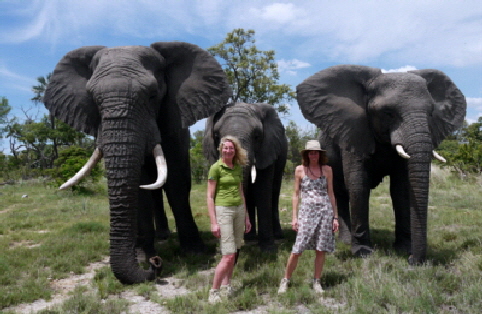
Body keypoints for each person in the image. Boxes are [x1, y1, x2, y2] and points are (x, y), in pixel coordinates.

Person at [278, 140, 339, 294]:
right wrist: (294, 217)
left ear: (320, 154)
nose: (314, 155)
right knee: (298, 248)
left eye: (316, 152)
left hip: (325, 212)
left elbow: (331, 193)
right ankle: (285, 280)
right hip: (306, 213)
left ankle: (317, 281)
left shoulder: (327, 170)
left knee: (321, 248)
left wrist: (335, 217)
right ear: (306, 154)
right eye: (311, 152)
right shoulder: (300, 170)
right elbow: (296, 194)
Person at [207, 136, 252, 304]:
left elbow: (241, 193)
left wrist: (247, 216)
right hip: (223, 211)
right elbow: (210, 196)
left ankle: (227, 286)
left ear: (235, 150)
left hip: (239, 209)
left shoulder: (238, 168)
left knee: (235, 251)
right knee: (228, 254)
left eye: (231, 148)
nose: (228, 151)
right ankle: (214, 291)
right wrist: (213, 221)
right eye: (225, 148)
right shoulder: (215, 168)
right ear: (221, 149)